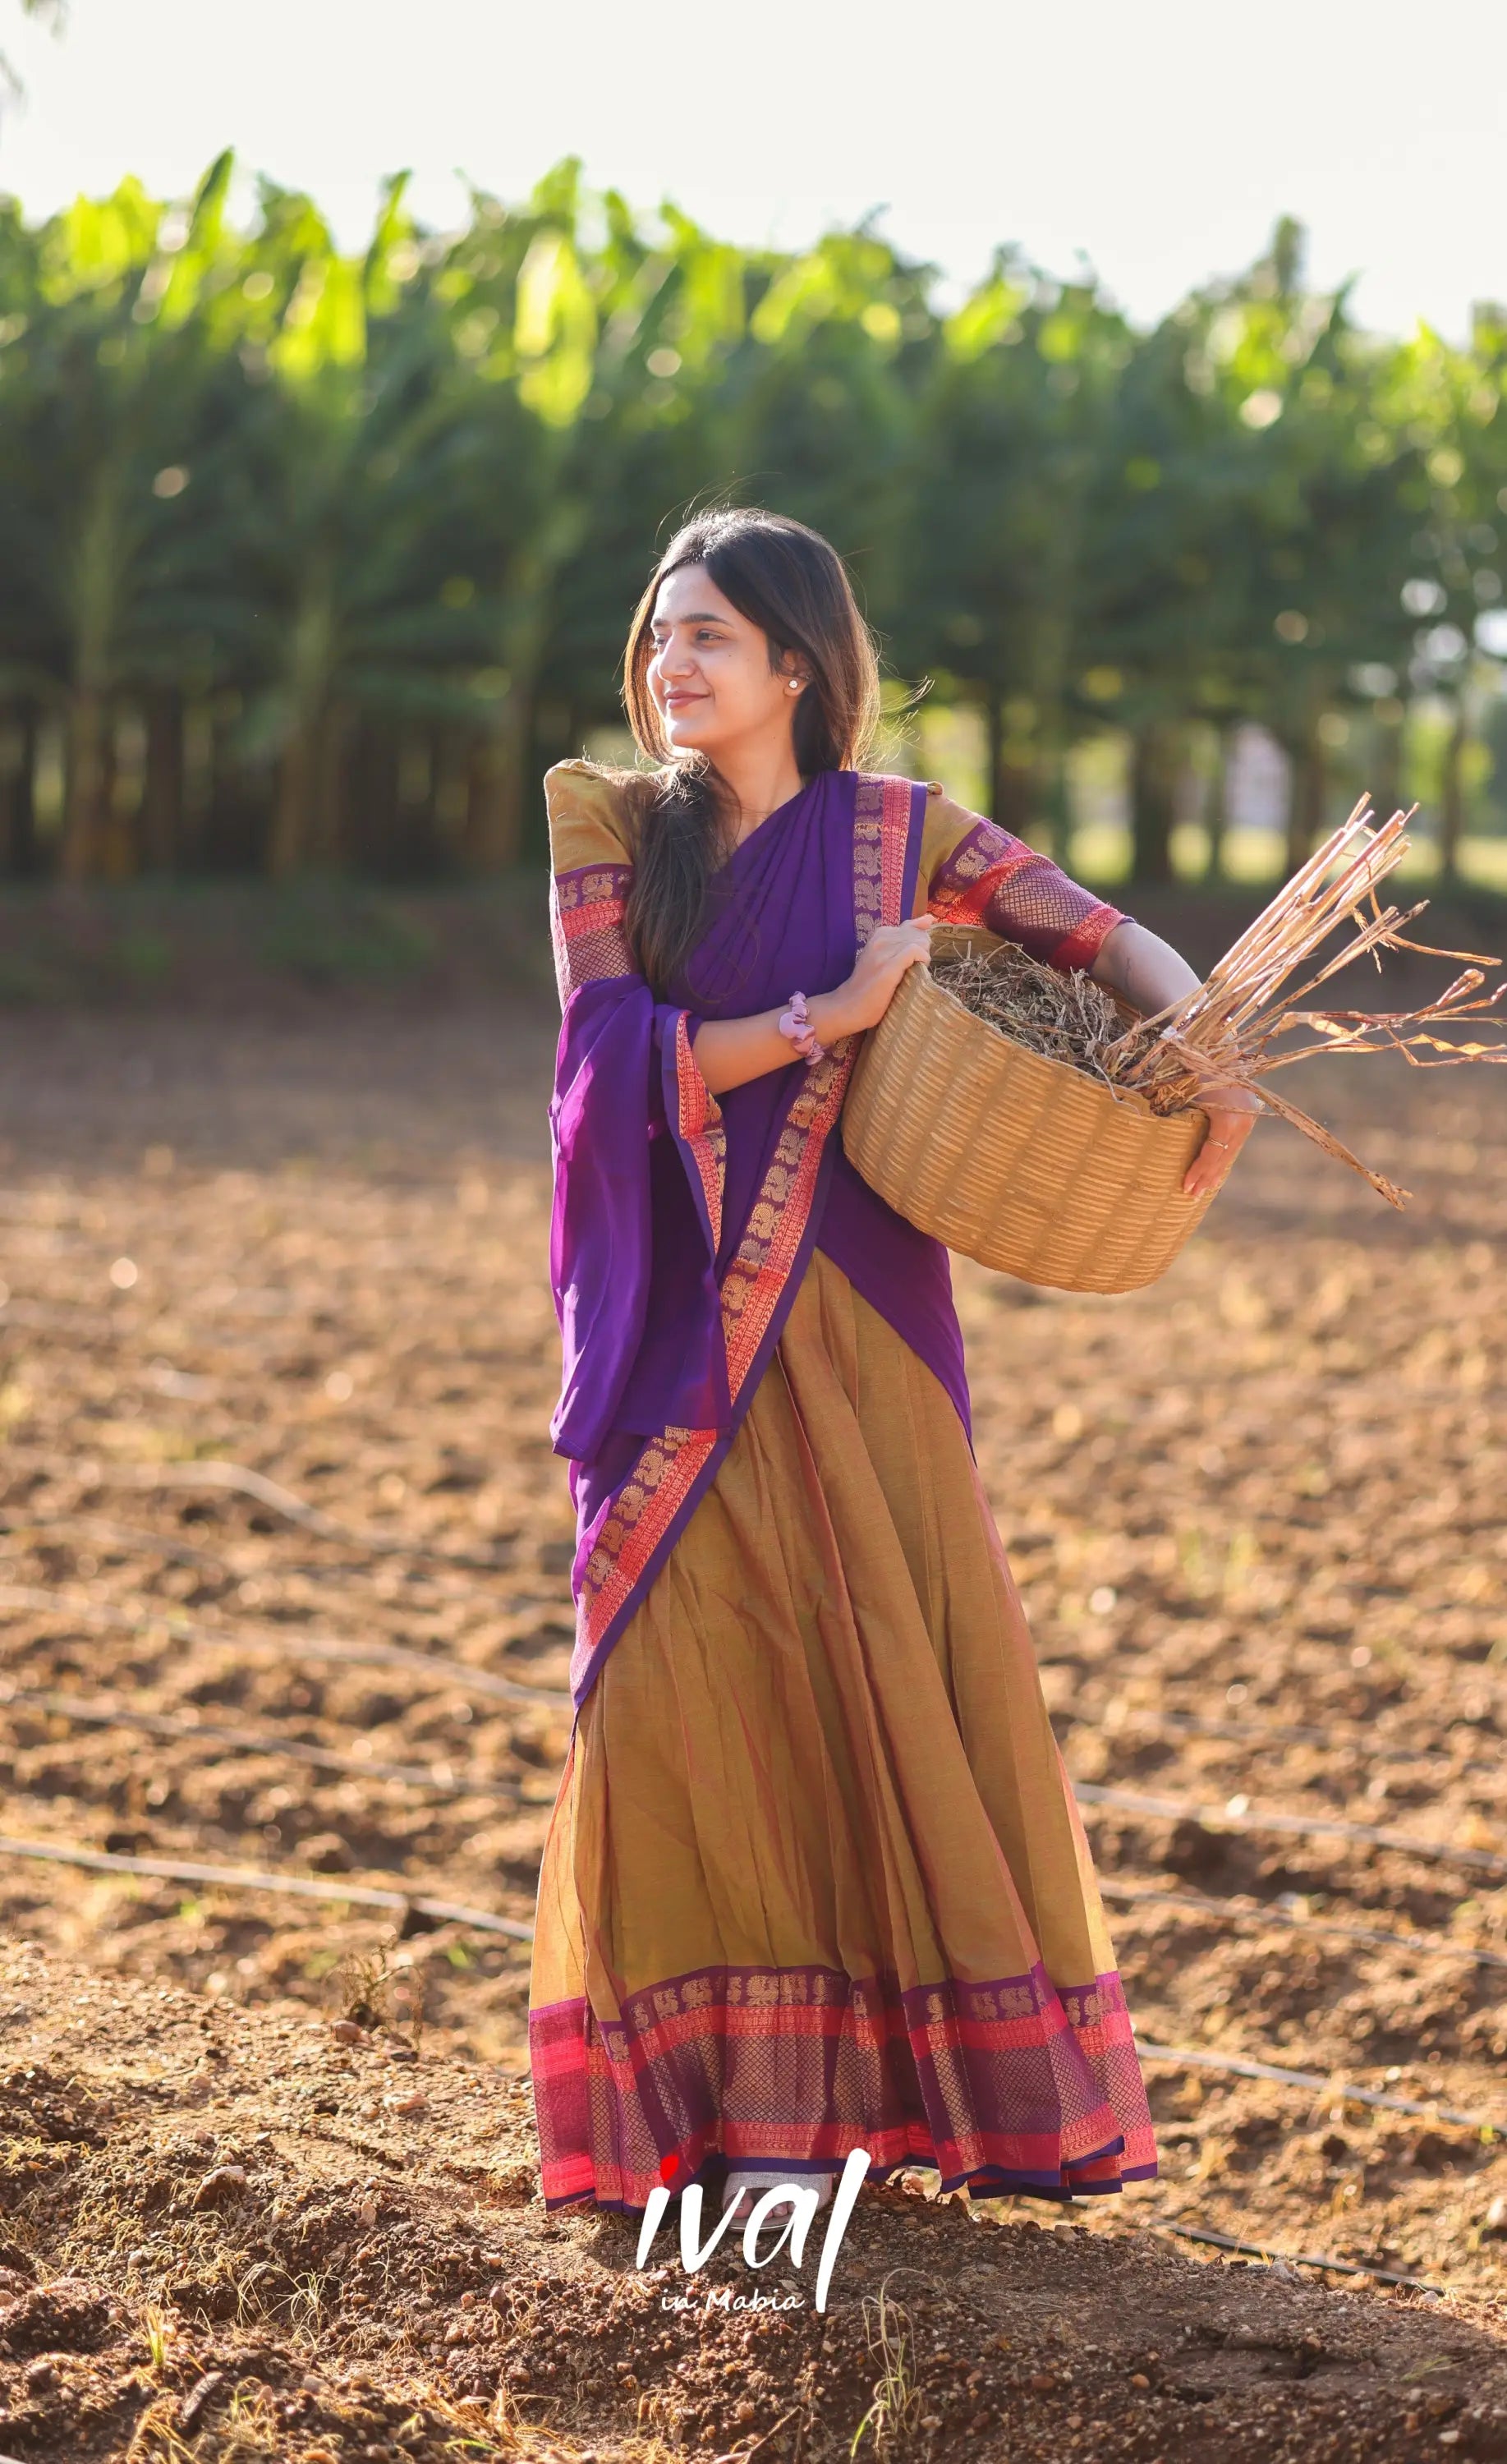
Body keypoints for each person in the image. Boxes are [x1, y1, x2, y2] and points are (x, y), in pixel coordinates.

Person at [528, 507, 1257, 2227]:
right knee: (679, 1687)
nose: (670, 664)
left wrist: (1208, 1045)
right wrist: (824, 1024)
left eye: (708, 634)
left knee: (886, 1668)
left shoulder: (901, 839)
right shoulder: (608, 823)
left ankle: (900, 2105)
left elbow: (1096, 936)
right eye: (658, 635)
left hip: (865, 1310)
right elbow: (601, 1055)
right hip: (681, 1326)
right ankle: (717, 2114)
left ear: (799, 663)